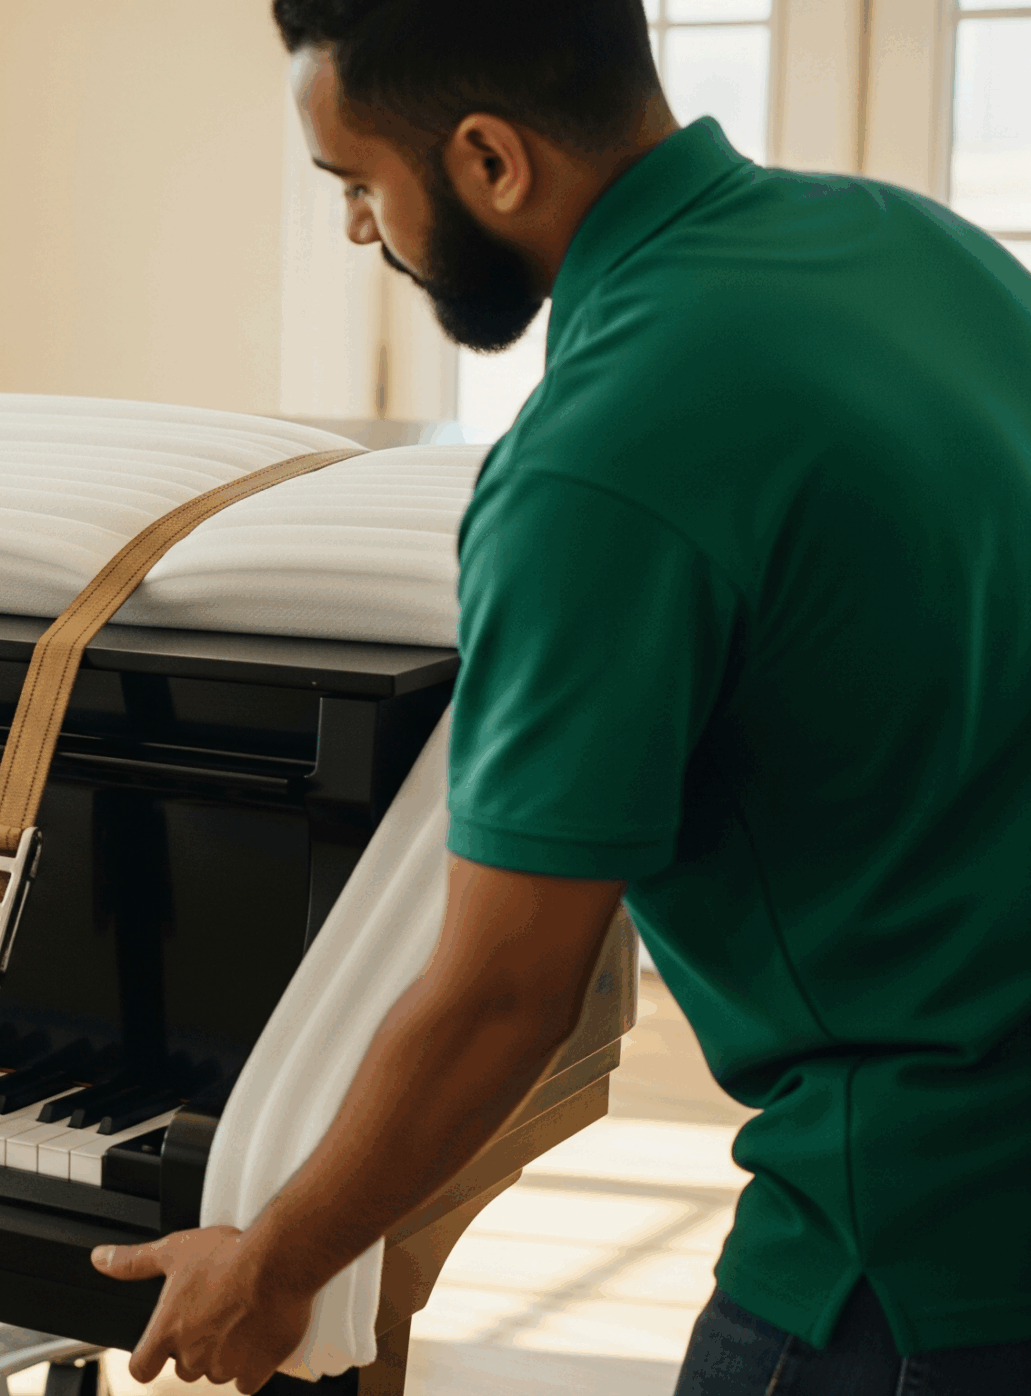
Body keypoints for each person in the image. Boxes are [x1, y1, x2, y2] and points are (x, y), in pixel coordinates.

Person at [88, 2, 1031, 1392]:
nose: (359, 231)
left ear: (489, 162)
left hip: (917, 1241)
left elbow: (503, 993)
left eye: (359, 183)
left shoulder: (593, 465)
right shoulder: (924, 248)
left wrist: (274, 1264)